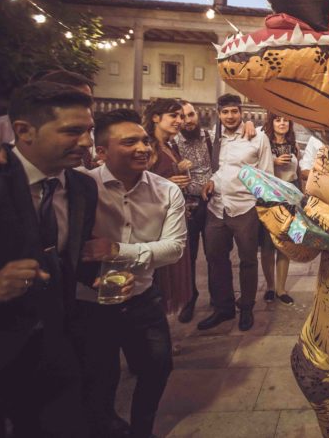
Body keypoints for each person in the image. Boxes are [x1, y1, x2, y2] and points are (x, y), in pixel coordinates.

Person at [0, 82, 98, 437]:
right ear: (24, 131)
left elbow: (67, 256)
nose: (87, 142)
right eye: (72, 131)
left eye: (89, 130)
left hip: (57, 345)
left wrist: (95, 270)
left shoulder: (83, 188)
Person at [73, 108, 186, 438]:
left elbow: (174, 248)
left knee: (158, 367)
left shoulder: (166, 191)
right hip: (90, 302)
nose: (143, 148)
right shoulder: (82, 187)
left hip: (142, 297)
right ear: (102, 151)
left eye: (145, 141)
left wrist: (116, 250)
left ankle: (142, 429)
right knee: (99, 379)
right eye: (129, 142)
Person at [198, 94, 275, 332]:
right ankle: (223, 308)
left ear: (241, 112)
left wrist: (261, 207)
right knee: (215, 258)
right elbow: (219, 168)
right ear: (219, 114)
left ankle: (247, 307)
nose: (230, 116)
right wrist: (211, 180)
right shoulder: (215, 137)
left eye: (234, 111)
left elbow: (266, 174)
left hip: (245, 207)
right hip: (217, 207)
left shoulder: (258, 137)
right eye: (225, 112)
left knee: (248, 260)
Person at [141, 98, 193, 316]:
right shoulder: (147, 146)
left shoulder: (170, 145)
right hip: (154, 222)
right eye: (173, 115)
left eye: (181, 116)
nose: (180, 120)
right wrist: (168, 182)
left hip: (173, 216)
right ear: (156, 117)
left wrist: (178, 171)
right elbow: (138, 184)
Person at [173, 100, 214, 323]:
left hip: (211, 203)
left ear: (197, 115)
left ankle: (217, 296)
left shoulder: (209, 137)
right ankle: (189, 298)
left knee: (214, 253)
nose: (187, 120)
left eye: (190, 115)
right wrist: (175, 168)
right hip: (186, 205)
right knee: (188, 256)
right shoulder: (172, 143)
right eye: (182, 116)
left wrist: (248, 125)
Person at [260, 112, 298, 305]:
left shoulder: (294, 145)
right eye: (278, 120)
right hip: (270, 199)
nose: (282, 123)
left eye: (285, 119)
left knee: (284, 245)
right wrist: (272, 162)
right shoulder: (264, 143)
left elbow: (297, 173)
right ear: (271, 122)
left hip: (289, 199)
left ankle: (281, 289)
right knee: (267, 246)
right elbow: (255, 169)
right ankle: (269, 287)